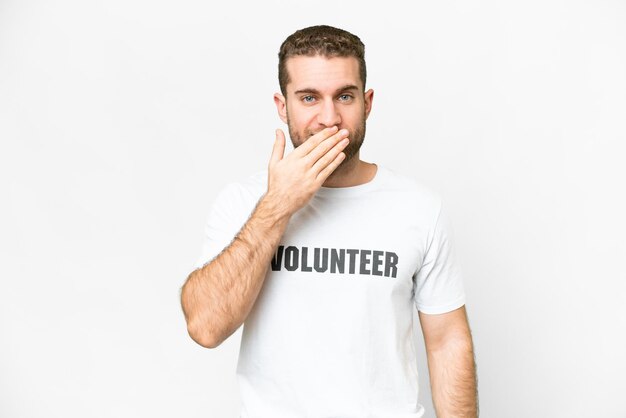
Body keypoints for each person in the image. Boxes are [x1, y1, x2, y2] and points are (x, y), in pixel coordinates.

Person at [180, 25, 478, 418]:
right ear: (282, 105)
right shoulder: (243, 202)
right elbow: (205, 327)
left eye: (345, 96)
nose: (329, 117)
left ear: (367, 102)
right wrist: (279, 204)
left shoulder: (419, 208)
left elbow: (446, 342)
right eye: (308, 98)